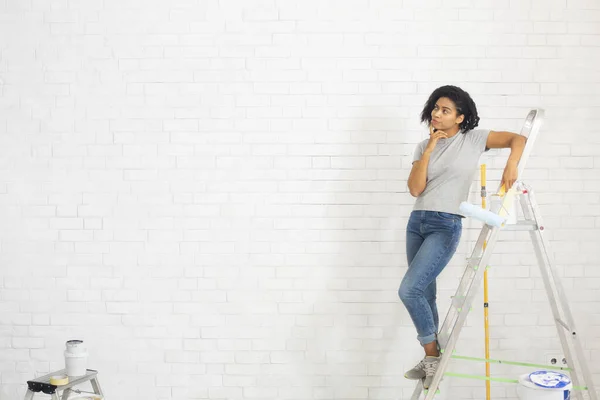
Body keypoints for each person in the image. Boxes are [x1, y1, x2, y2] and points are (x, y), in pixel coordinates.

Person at [399, 85, 526, 389]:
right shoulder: (422, 146)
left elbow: (517, 139)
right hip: (417, 221)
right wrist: (430, 148)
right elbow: (415, 189)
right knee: (423, 293)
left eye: (445, 110)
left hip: (445, 224)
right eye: (435, 108)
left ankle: (432, 356)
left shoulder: (473, 139)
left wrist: (512, 163)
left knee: (409, 290)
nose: (437, 114)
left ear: (460, 117)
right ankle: (433, 356)